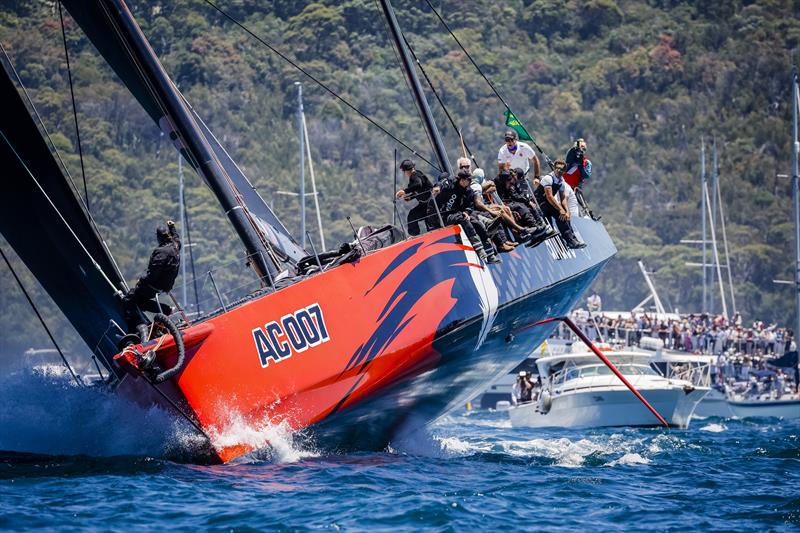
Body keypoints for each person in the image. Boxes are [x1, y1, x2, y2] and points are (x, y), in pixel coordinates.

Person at [122, 220, 181, 339]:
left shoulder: (161, 252)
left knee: (128, 299)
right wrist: (172, 227)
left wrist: (141, 280)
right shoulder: (175, 246)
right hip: (165, 286)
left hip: (154, 285)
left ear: (159, 238)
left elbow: (152, 275)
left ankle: (137, 329)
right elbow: (176, 237)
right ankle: (167, 310)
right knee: (141, 303)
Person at [428, 170, 500, 263]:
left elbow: (470, 205)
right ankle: (479, 249)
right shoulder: (450, 184)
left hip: (456, 213)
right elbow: (441, 184)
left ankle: (490, 253)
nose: (468, 182)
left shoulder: (468, 190)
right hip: (443, 216)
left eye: (469, 180)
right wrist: (437, 188)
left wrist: (466, 211)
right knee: (463, 218)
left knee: (475, 222)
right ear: (461, 179)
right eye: (466, 180)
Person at [534, 159, 586, 249]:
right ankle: (547, 243)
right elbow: (549, 196)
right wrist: (560, 209)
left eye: (561, 169)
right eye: (557, 168)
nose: (559, 170)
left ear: (564, 171)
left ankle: (571, 242)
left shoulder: (561, 181)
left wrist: (566, 211)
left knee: (562, 217)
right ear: (554, 168)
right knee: (549, 223)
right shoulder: (548, 178)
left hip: (548, 203)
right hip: (539, 204)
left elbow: (563, 199)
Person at [395, 159, 434, 236]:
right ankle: (419, 235)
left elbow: (418, 184)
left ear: (406, 171)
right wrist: (410, 197)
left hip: (429, 204)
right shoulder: (418, 173)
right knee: (415, 216)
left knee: (412, 216)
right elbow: (420, 189)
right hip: (429, 203)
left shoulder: (414, 176)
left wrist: (404, 191)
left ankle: (415, 236)